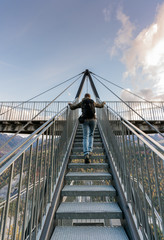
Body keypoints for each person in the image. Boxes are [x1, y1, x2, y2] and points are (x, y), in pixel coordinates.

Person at [68, 93, 105, 163]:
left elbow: (73, 107)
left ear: (84, 97)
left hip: (85, 120)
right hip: (93, 120)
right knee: (91, 135)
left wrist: (70, 104)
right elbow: (101, 106)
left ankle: (86, 154)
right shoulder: (92, 102)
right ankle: (90, 150)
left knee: (85, 136)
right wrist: (103, 103)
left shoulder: (82, 102)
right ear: (89, 97)